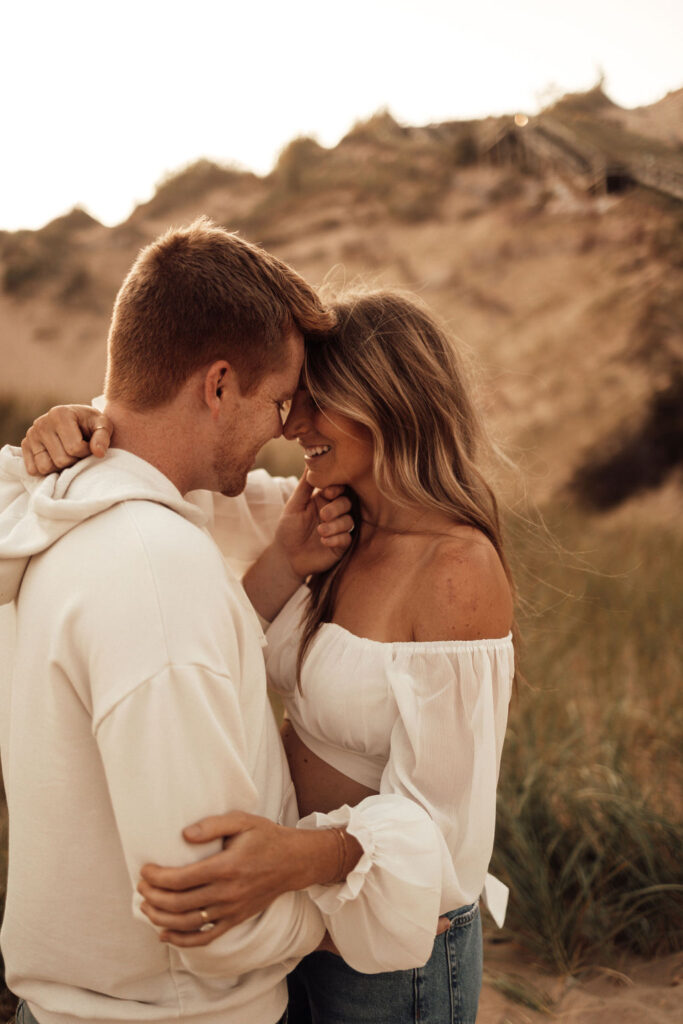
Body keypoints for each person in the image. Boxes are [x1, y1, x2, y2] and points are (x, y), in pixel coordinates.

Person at [22, 289, 515, 1023]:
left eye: (317, 401)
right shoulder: (312, 510)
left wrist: (301, 860)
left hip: (387, 948)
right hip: (291, 921)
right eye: (292, 399)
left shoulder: (455, 569)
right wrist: (81, 425)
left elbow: (449, 832)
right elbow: (166, 458)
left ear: (387, 400)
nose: (294, 425)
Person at [0, 217, 377, 1024]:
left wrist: (278, 568)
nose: (284, 428)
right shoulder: (156, 571)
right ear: (216, 385)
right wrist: (356, 909)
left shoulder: (47, 517)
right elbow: (207, 917)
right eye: (278, 400)